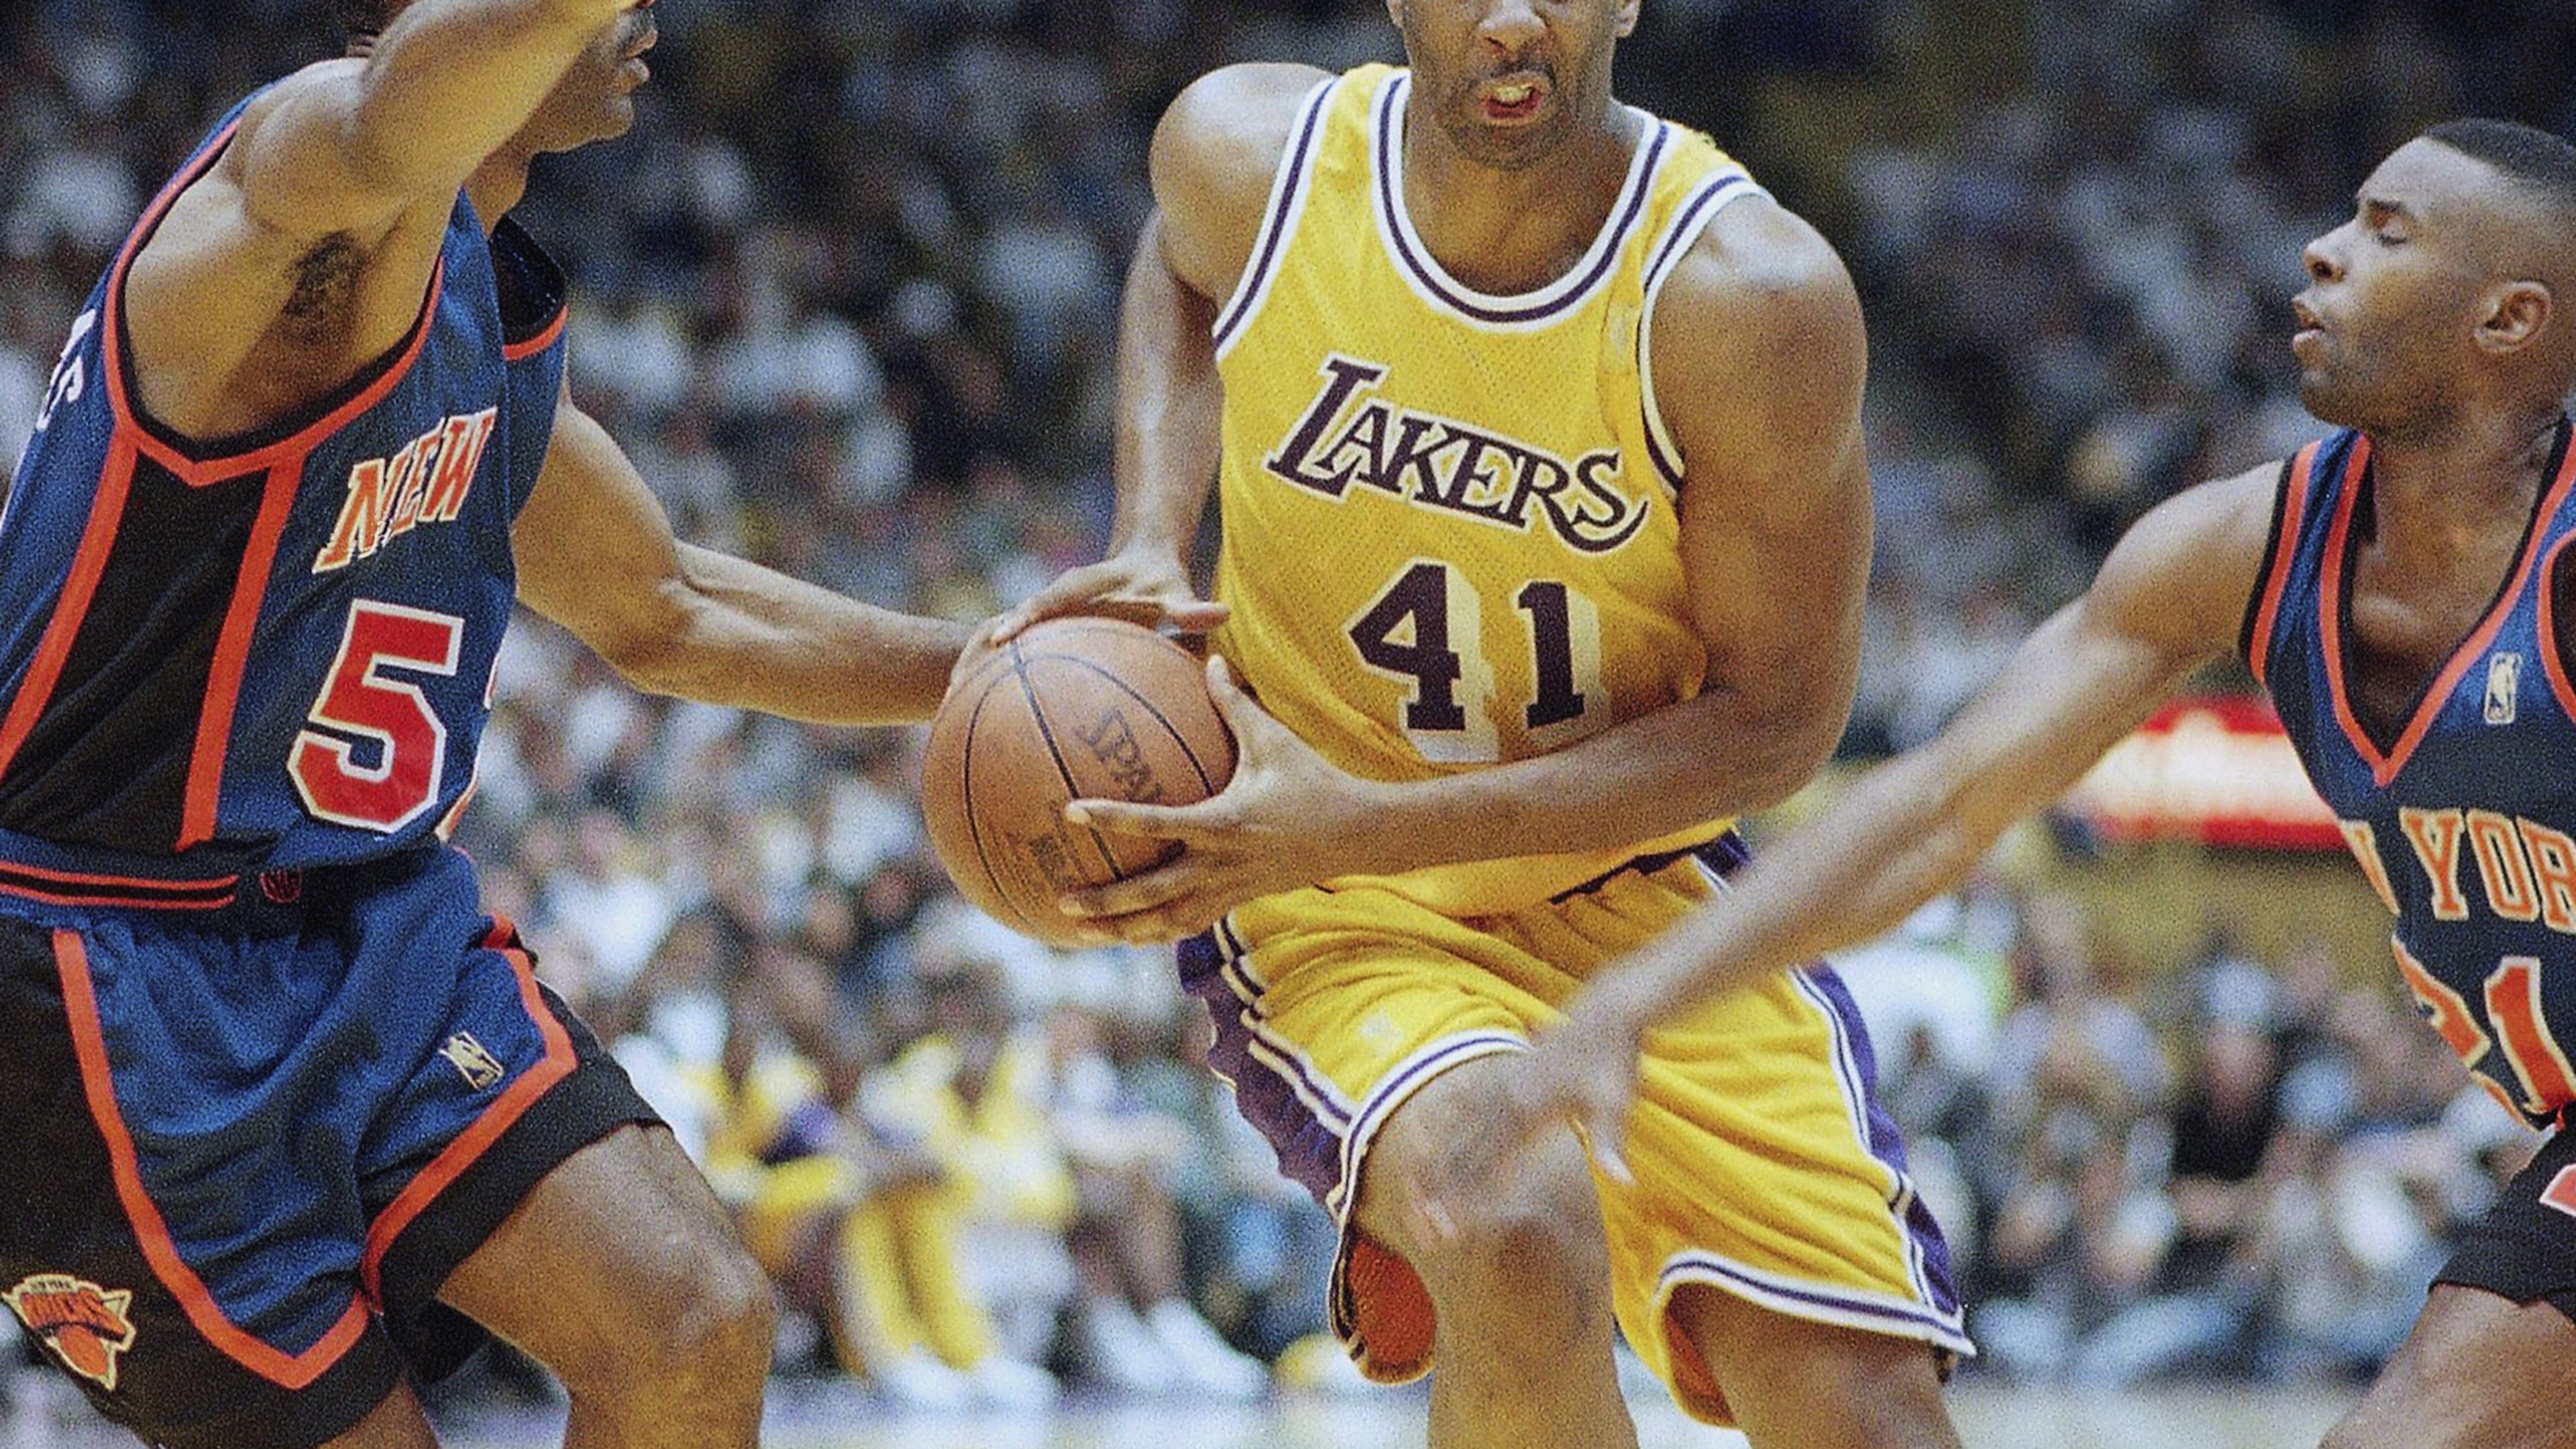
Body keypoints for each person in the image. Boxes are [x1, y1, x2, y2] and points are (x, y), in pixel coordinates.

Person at [1440, 119, 2576, 1449]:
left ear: (2508, 320)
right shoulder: (2238, 548)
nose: (2324, 251)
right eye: (2348, 217)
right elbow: (1941, 806)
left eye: (2389, 234)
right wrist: (1630, 1002)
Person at [983, 1, 1970, 1444]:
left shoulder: (1744, 299)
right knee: (1507, 1221)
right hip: (1327, 898)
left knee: (1868, 1418)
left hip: (1642, 899)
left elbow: (1779, 725)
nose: (1511, 19)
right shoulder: (1251, 160)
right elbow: (1181, 267)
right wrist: (1149, 526)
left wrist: (1374, 820)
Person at [0, 3, 972, 1446]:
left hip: (368, 926)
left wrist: (997, 662)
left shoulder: (478, 298)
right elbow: (387, 116)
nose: (635, 13)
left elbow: (667, 607)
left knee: (693, 1326)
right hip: (101, 963)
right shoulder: (298, 187)